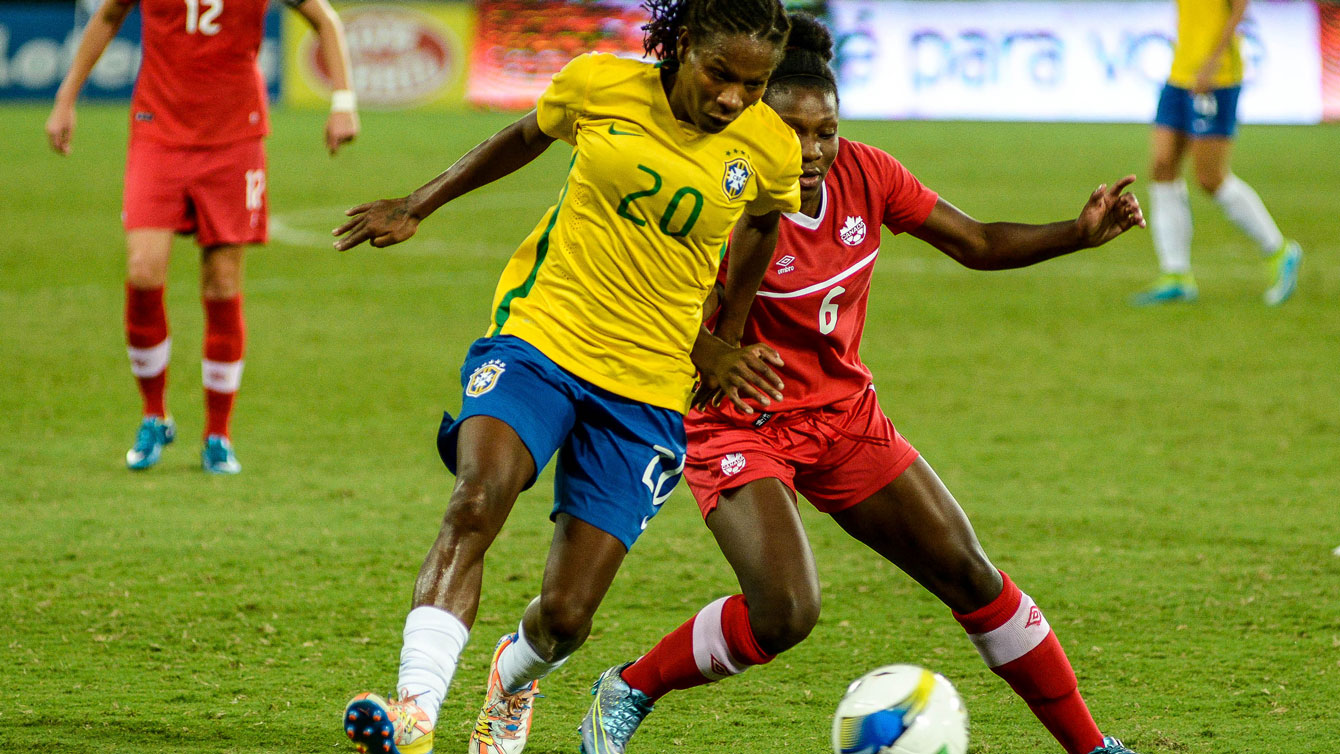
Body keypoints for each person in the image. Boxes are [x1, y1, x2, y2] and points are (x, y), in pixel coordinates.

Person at [577, 15, 1146, 754]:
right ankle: (629, 688)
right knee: (785, 610)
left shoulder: (867, 175)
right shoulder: (713, 192)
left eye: (826, 131)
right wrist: (708, 348)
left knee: (971, 575)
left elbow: (972, 241)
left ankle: (1094, 748)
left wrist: (1076, 231)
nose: (812, 151)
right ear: (752, 121)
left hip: (845, 418)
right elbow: (636, 297)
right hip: (736, 422)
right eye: (792, 130)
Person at [333, 2, 802, 754]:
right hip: (541, 338)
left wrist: (723, 337)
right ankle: (415, 711)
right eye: (720, 74)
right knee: (477, 498)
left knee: (566, 617)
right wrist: (418, 202)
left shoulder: (768, 147)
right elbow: (521, 137)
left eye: (753, 84)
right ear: (683, 45)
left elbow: (761, 224)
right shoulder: (598, 84)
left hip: (648, 387)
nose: (732, 99)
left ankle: (512, 680)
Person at [45, 0, 359, 473]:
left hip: (234, 136)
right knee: (143, 270)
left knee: (222, 281)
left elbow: (324, 19)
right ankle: (154, 415)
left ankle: (219, 434)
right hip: (158, 131)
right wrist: (66, 99)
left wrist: (343, 102)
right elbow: (109, 15)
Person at [1134, 0, 1301, 305]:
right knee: (1162, 166)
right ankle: (1176, 274)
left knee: (1210, 177)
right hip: (1180, 73)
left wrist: (1213, 59)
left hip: (1217, 76)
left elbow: (1240, 7)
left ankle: (1279, 250)